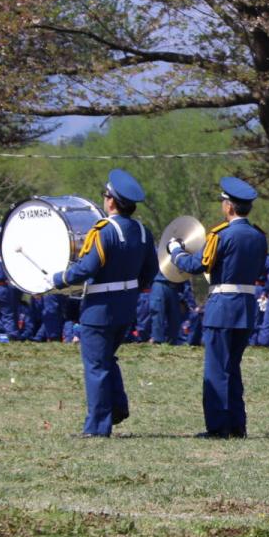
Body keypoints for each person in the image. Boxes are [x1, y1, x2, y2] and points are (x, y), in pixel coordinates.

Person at [50, 169, 157, 436]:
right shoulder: (143, 232)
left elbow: (87, 268)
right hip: (126, 306)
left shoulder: (104, 230)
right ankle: (117, 407)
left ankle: (97, 427)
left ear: (111, 201)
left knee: (96, 366)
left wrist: (59, 278)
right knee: (107, 359)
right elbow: (150, 271)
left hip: (99, 309)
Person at [167, 177, 268, 438]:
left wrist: (176, 251)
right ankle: (237, 425)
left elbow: (196, 266)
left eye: (224, 202)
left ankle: (219, 426)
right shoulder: (258, 236)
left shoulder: (221, 234)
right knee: (233, 367)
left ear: (230, 207)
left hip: (223, 306)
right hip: (246, 306)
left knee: (217, 369)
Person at [149, 271, 186, 344]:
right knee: (157, 313)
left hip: (175, 286)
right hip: (159, 282)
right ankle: (157, 340)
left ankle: (172, 341)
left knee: (175, 316)